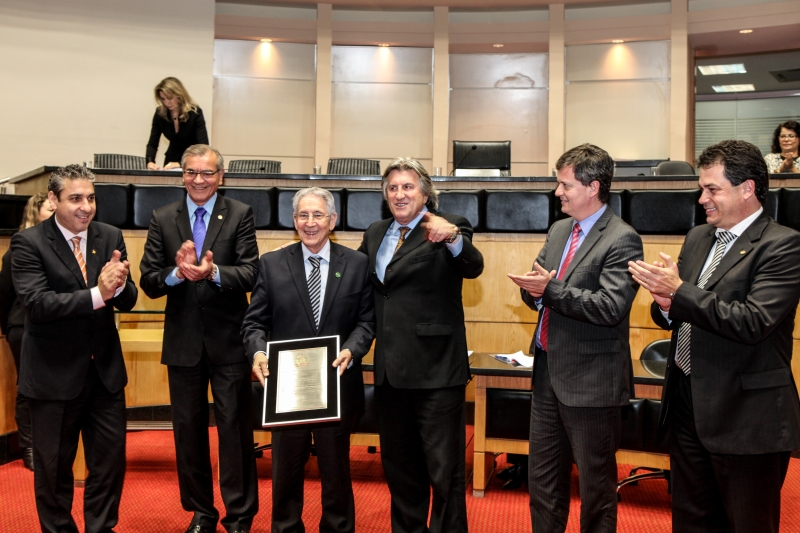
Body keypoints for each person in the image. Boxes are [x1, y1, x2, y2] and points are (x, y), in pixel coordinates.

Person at [628, 139, 800, 533]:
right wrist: (665, 303)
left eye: (712, 189)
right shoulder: (698, 237)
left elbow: (753, 321)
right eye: (701, 188)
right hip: (689, 404)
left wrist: (679, 292)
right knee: (691, 521)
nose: (702, 197)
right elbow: (680, 311)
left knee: (745, 523)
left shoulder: (783, 245)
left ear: (747, 188)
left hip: (746, 416)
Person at [508, 143, 643, 533]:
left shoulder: (622, 238)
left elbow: (609, 307)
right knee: (544, 483)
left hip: (592, 382)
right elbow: (542, 285)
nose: (557, 192)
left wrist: (547, 290)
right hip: (548, 374)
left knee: (596, 490)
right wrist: (532, 289)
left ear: (593, 187)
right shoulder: (559, 229)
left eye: (565, 184)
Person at [357, 157, 484, 533]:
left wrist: (454, 239)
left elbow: (473, 265)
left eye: (408, 187)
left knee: (444, 473)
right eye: (393, 188)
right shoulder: (375, 232)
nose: (400, 194)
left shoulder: (450, 226)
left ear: (426, 193)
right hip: (390, 373)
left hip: (436, 371)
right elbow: (363, 292)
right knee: (401, 470)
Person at [139, 144, 259, 533]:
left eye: (207, 173)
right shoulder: (162, 218)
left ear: (221, 176)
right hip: (183, 343)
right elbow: (149, 281)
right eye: (191, 172)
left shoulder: (240, 214)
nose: (199, 180)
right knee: (187, 433)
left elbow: (251, 274)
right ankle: (201, 512)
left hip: (229, 343)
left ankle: (239, 515)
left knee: (235, 432)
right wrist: (176, 274)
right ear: (182, 176)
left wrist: (212, 273)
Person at [10, 165, 137, 533]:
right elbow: (38, 305)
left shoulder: (109, 234)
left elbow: (127, 300)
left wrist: (120, 284)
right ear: (53, 199)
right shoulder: (29, 243)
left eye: (91, 198)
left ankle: (101, 528)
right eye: (75, 198)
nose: (86, 207)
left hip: (105, 375)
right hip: (53, 377)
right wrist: (100, 293)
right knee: (53, 470)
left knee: (109, 465)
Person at [241, 187, 375, 533]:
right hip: (287, 391)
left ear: (333, 220)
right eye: (303, 215)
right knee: (285, 472)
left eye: (318, 215)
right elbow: (254, 322)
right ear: (293, 220)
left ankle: (338, 528)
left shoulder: (357, 264)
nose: (310, 223)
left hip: (337, 384)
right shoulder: (271, 264)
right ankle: (285, 528)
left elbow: (366, 321)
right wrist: (257, 351)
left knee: (336, 472)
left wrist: (353, 348)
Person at [0, 192, 53, 471]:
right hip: (23, 326)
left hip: (55, 325)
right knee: (27, 388)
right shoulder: (18, 249)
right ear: (36, 213)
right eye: (50, 207)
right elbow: (5, 295)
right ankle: (29, 446)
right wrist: (7, 328)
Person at [146, 77, 209, 170]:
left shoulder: (195, 113)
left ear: (179, 96)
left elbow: (203, 147)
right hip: (170, 161)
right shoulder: (160, 114)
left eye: (170, 98)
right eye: (163, 99)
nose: (167, 102)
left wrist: (180, 164)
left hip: (193, 162)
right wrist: (150, 161)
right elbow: (152, 143)